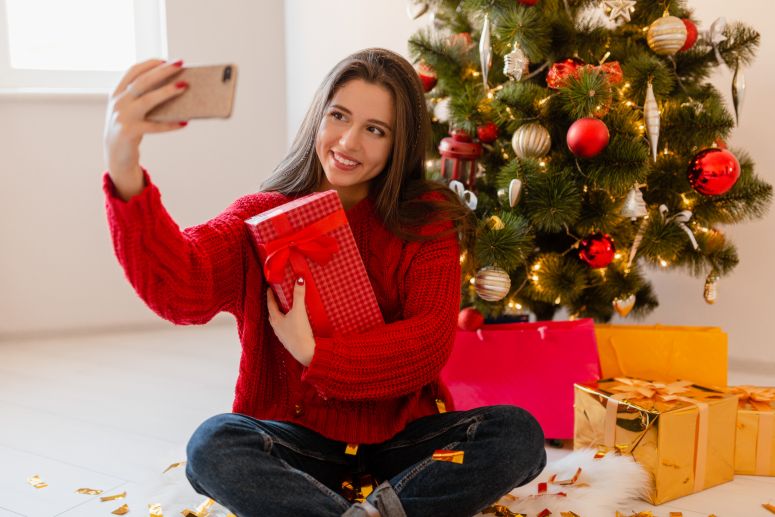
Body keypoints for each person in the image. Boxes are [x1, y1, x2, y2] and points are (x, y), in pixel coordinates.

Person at [102, 48, 545, 517]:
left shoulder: (428, 219)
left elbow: (427, 344)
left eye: (375, 130)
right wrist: (122, 162)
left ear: (400, 144)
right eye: (339, 116)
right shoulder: (259, 215)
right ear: (319, 115)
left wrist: (316, 353)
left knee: (517, 435)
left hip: (403, 446)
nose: (348, 142)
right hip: (298, 446)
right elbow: (182, 289)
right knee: (213, 446)